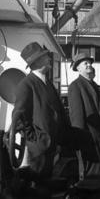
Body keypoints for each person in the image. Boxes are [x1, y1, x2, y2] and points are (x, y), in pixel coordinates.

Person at [11, 42, 75, 178]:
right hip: (40, 151)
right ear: (37, 61)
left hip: (53, 147)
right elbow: (19, 119)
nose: (49, 59)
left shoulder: (47, 82)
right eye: (45, 57)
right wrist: (37, 140)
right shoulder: (26, 85)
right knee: (39, 187)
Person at [68, 52, 100, 180]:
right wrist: (82, 144)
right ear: (78, 68)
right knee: (91, 179)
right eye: (85, 63)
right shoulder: (75, 86)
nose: (89, 65)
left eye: (90, 63)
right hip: (89, 142)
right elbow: (77, 119)